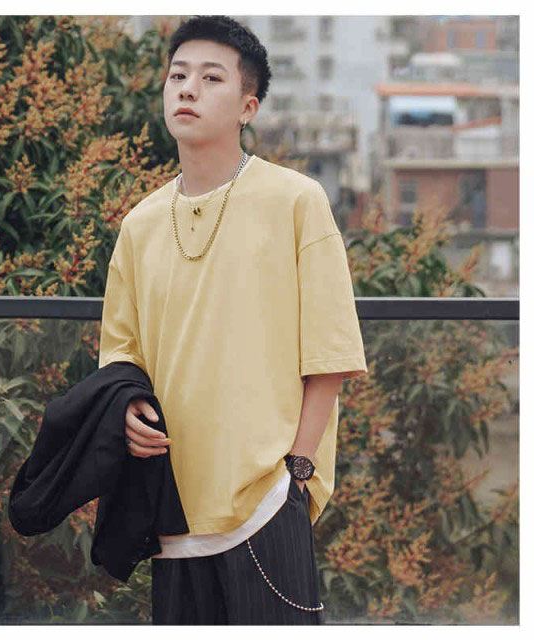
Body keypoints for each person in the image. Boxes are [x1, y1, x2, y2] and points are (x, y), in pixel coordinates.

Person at [98, 15, 368, 625]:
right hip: (172, 503)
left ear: (248, 107)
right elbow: (121, 353)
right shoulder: (139, 224)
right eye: (177, 75)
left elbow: (330, 354)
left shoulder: (296, 200)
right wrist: (128, 406)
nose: (187, 89)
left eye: (211, 77)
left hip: (267, 500)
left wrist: (296, 475)